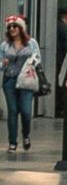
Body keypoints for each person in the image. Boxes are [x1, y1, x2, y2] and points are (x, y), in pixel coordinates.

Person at [2, 17, 41, 153]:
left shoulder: (31, 43)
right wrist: (3, 64)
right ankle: (12, 142)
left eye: (15, 26)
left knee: (25, 111)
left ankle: (26, 134)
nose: (12, 29)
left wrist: (32, 63)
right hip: (10, 80)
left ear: (21, 28)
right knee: (12, 111)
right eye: (10, 27)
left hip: (26, 80)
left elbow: (38, 58)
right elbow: (0, 64)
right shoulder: (5, 45)